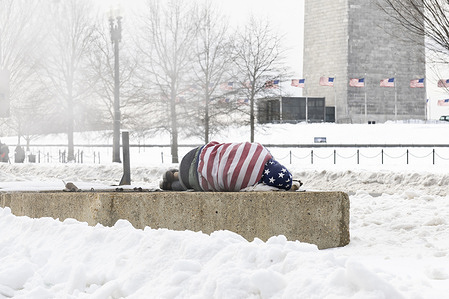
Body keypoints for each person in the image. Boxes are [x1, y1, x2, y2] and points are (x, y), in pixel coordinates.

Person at [160, 141, 302, 191]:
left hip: (195, 156)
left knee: (217, 159)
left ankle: (175, 174)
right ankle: (172, 185)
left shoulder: (259, 149)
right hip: (194, 180)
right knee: (197, 181)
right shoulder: (254, 183)